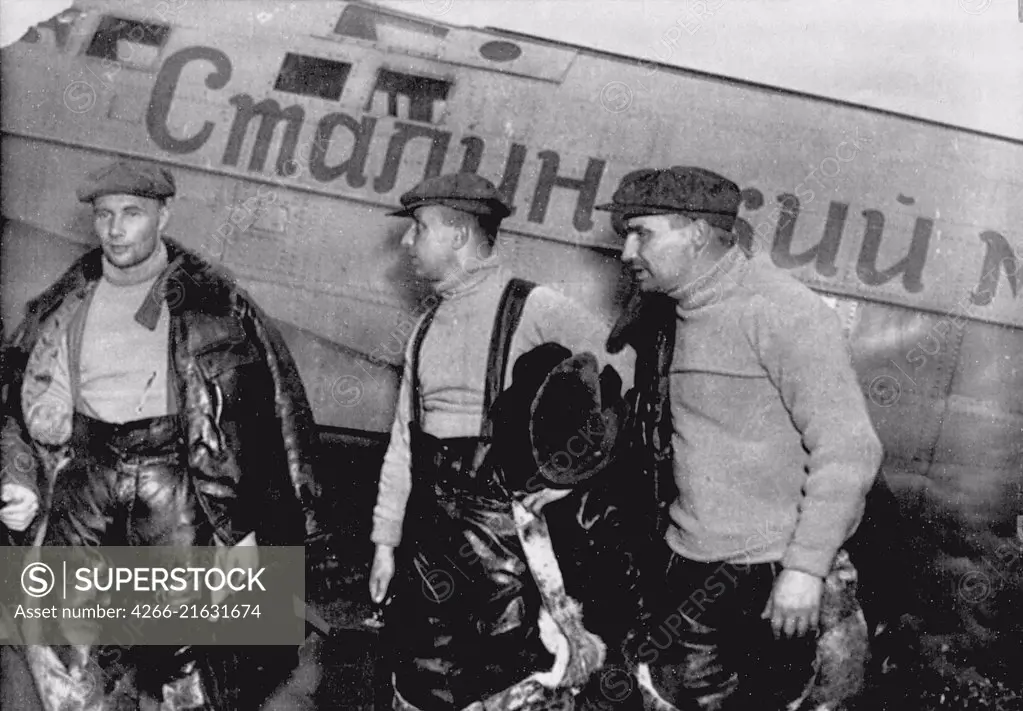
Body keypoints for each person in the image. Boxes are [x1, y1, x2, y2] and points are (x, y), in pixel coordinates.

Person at [0, 159, 329, 710]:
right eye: (104, 214)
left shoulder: (213, 302)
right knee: (63, 633)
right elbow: (16, 400)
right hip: (87, 476)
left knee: (180, 646)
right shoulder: (68, 297)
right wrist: (20, 477)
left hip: (173, 483)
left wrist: (241, 530)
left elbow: (258, 419)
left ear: (164, 215)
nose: (115, 227)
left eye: (131, 213)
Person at [594, 167, 884, 709]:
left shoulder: (781, 310)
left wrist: (804, 568)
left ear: (699, 233)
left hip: (774, 578)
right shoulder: (666, 313)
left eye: (644, 233)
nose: (629, 250)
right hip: (688, 566)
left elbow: (849, 448)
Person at [367, 172, 639, 710]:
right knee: (421, 679)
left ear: (459, 236)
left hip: (505, 553)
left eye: (419, 228)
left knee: (503, 682)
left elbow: (625, 378)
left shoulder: (534, 308)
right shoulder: (425, 325)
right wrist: (385, 542)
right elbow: (404, 439)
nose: (407, 242)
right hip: (428, 541)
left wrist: (572, 476)